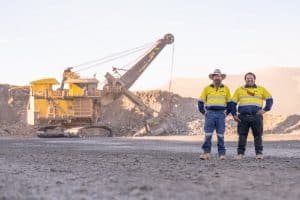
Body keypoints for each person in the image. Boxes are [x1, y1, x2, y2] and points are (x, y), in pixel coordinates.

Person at [230, 72, 273, 160]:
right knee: (242, 135)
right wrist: (234, 114)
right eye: (247, 78)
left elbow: (270, 99)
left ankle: (259, 154)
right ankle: (240, 154)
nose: (249, 79)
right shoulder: (239, 90)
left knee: (258, 135)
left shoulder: (261, 89)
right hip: (243, 116)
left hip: (256, 116)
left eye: (251, 78)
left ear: (254, 79)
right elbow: (232, 103)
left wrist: (265, 110)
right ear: (245, 80)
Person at [198, 69, 231, 160]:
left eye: (218, 76)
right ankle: (206, 153)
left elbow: (230, 103)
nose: (217, 77)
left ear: (221, 77)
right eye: (215, 76)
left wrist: (226, 113)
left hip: (221, 114)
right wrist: (204, 112)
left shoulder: (226, 88)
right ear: (212, 77)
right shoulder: (207, 88)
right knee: (208, 134)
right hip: (210, 114)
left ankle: (222, 154)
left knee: (220, 135)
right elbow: (200, 101)